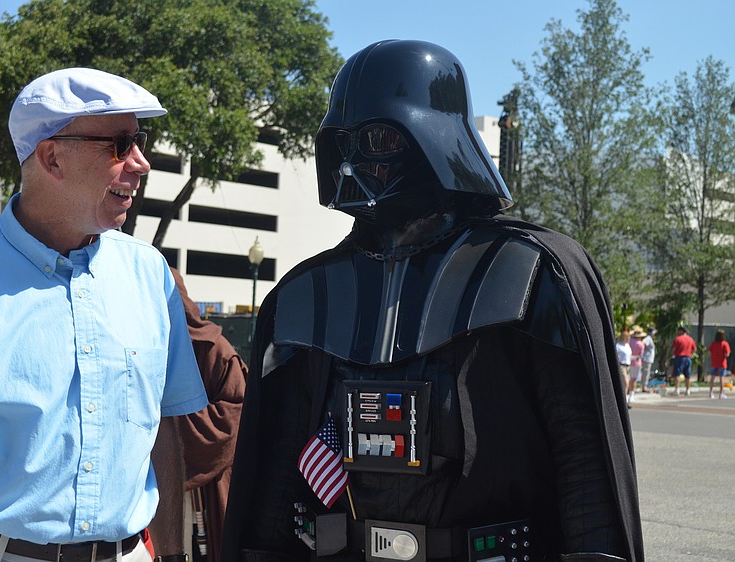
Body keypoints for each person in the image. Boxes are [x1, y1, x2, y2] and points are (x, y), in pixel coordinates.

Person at [223, 40, 643, 562]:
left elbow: (584, 467)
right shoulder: (307, 294)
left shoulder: (528, 274)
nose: (353, 163)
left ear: (434, 140)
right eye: (341, 143)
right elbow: (278, 467)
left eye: (377, 139)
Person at [0, 67, 209, 562]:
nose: (141, 163)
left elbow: (162, 429)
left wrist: (171, 556)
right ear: (52, 157)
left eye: (140, 141)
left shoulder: (151, 274)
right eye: (120, 145)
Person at [170, 267, 247, 562]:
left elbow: (234, 416)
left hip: (208, 485)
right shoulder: (143, 348)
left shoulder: (216, 350)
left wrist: (168, 426)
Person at [671, 326, 697, 397]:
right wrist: (690, 353)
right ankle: (687, 390)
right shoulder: (690, 339)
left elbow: (673, 349)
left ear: (681, 331)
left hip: (679, 357)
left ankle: (677, 389)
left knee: (677, 374)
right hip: (688, 357)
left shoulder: (677, 339)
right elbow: (694, 349)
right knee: (687, 375)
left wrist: (672, 355)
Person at [707, 329, 730, 399]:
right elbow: (727, 354)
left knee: (712, 378)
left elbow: (709, 352)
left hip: (714, 363)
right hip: (722, 363)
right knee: (721, 378)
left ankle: (710, 392)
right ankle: (721, 393)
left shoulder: (713, 343)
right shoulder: (725, 344)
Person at [627, 327, 646, 405]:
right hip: (636, 362)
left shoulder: (629, 340)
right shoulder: (640, 344)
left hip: (628, 361)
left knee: (628, 379)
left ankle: (627, 393)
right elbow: (641, 355)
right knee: (634, 379)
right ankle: (631, 395)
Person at [617, 330, 633, 406]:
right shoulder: (618, 346)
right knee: (625, 382)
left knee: (627, 384)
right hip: (621, 365)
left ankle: (624, 399)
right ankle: (624, 401)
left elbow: (628, 356)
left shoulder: (627, 345)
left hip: (628, 366)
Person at [640, 327, 657, 392]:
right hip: (646, 358)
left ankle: (644, 386)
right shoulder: (648, 338)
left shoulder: (650, 339)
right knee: (646, 372)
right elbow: (643, 344)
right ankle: (644, 386)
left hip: (648, 359)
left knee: (647, 372)